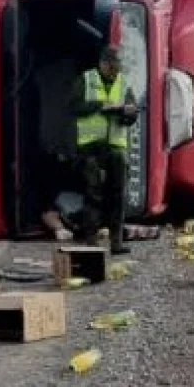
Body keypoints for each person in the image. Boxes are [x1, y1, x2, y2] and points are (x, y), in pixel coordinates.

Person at [69, 45, 138, 255]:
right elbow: (73, 107)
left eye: (116, 66)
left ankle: (116, 243)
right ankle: (91, 242)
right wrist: (100, 106)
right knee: (93, 193)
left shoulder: (124, 83)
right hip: (90, 147)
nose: (114, 70)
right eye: (110, 66)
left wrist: (127, 113)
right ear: (101, 64)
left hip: (116, 148)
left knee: (118, 195)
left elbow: (132, 115)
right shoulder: (86, 80)